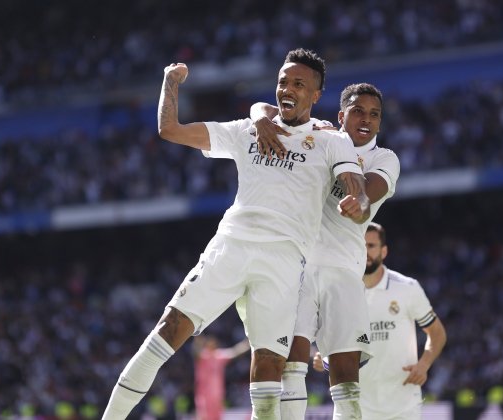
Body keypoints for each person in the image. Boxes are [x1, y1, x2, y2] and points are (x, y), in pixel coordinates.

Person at [101, 48, 371, 420]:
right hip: (231, 247)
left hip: (284, 262)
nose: (287, 89)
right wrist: (170, 83)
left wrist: (357, 201)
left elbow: (353, 183)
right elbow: (170, 129)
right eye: (282, 82)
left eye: (298, 84)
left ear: (315, 95)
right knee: (169, 328)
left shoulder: (329, 140)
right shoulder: (247, 129)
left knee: (268, 370)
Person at [250, 82, 400, 419]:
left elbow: (370, 192)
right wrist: (260, 118)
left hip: (344, 271)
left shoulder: (385, 158)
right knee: (292, 362)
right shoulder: (319, 137)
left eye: (374, 114)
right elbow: (265, 107)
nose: (367, 119)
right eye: (358, 111)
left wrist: (359, 201)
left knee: (346, 374)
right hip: (298, 267)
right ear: (340, 115)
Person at [314, 222, 447, 420]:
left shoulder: (407, 288)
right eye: (361, 245)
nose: (365, 251)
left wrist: (424, 364)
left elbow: (437, 333)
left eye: (371, 246)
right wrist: (324, 359)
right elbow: (332, 343)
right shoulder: (338, 291)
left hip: (402, 407)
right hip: (355, 408)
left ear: (383, 251)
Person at [192, 335, 250, 420]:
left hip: (218, 395)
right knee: (203, 417)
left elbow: (235, 352)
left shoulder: (219, 355)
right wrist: (198, 341)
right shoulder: (203, 357)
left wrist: (247, 343)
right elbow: (196, 352)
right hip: (204, 395)